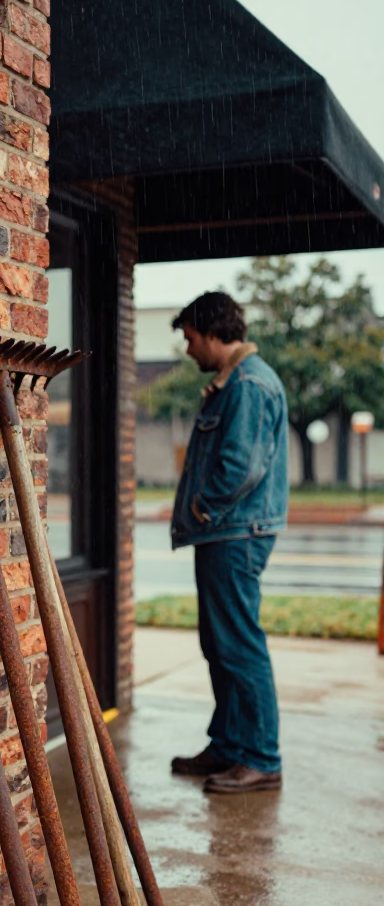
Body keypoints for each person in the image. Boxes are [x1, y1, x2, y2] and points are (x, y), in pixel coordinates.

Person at [168, 292, 289, 793]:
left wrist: (202, 507)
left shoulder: (250, 384)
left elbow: (243, 466)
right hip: (226, 531)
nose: (189, 350)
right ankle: (229, 745)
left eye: (191, 339)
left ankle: (260, 757)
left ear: (213, 332)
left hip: (236, 533)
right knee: (219, 643)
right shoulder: (233, 382)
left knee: (239, 645)